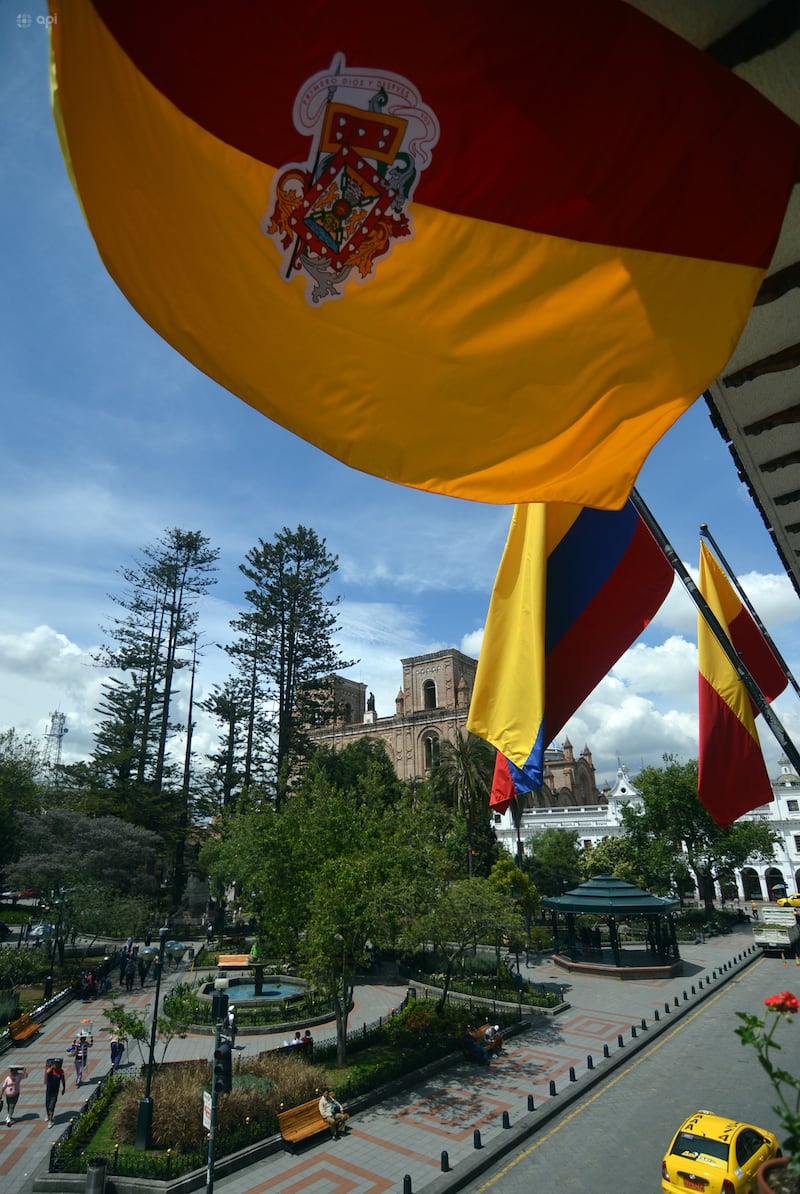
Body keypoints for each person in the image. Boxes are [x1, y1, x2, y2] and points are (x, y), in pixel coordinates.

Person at [44, 1058, 65, 1127]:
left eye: (59, 1064)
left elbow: (63, 1080)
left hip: (55, 1092)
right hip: (49, 1091)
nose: (57, 1065)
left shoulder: (61, 1072)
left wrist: (64, 1088)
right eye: (56, 1064)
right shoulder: (51, 1070)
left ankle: (50, 1121)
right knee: (47, 1104)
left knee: (51, 1106)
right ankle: (47, 1115)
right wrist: (52, 1067)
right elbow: (47, 1072)